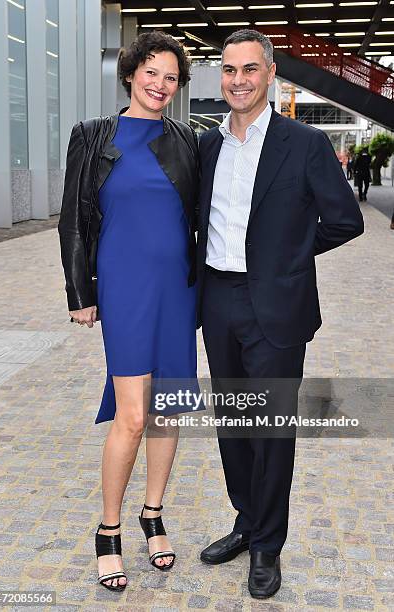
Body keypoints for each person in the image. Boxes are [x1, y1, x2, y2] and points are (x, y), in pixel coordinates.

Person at [196, 29, 364, 600]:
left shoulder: (304, 142)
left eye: (249, 69)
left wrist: (286, 254)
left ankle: (268, 544)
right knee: (234, 425)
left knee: (271, 429)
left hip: (277, 306)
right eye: (228, 69)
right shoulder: (209, 146)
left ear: (270, 75)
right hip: (218, 301)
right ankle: (246, 522)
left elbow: (346, 220)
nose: (237, 80)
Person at [58, 31, 201, 592]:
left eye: (171, 77)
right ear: (129, 73)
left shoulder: (188, 139)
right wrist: (80, 293)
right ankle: (109, 530)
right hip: (123, 288)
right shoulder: (94, 136)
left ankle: (154, 514)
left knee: (168, 412)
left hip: (177, 290)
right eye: (151, 73)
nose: (161, 85)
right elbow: (73, 219)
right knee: (133, 415)